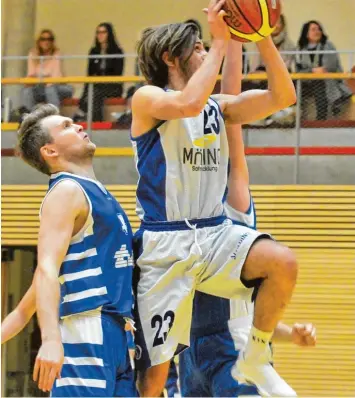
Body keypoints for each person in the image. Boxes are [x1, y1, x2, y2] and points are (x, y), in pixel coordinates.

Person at [131, 1, 297, 396]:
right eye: (199, 48)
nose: (207, 52)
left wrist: (263, 38)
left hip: (213, 234)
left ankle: (256, 351)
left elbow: (283, 96)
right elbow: (186, 102)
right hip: (165, 244)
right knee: (154, 378)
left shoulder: (218, 109)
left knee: (281, 261)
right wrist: (222, 42)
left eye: (208, 47)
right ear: (171, 56)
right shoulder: (148, 99)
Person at [178, 40, 316, 397]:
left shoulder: (232, 199)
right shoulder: (181, 213)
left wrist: (235, 41)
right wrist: (290, 333)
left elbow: (231, 107)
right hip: (188, 354)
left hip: (232, 348)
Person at [4, 104, 137, 397]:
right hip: (85, 329)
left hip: (116, 334)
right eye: (65, 126)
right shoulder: (66, 191)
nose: (77, 125)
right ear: (50, 151)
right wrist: (51, 339)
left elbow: (25, 307)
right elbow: (46, 268)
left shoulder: (97, 193)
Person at [296, 20, 352, 120]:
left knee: (319, 83)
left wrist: (312, 71)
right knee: (293, 84)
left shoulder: (328, 45)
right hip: (307, 81)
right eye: (313, 29)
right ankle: (295, 118)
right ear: (306, 33)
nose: (317, 32)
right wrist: (312, 71)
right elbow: (297, 71)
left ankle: (321, 119)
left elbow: (329, 67)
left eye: (319, 29)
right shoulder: (300, 49)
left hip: (328, 80)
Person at [73, 23, 125, 122]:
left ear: (109, 34)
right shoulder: (93, 51)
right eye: (98, 32)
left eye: (103, 32)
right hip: (96, 86)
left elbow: (117, 73)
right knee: (91, 90)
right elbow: (89, 74)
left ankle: (93, 121)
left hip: (112, 87)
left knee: (95, 91)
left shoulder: (117, 51)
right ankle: (87, 116)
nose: (100, 35)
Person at [21, 29, 73, 112]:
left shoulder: (56, 53)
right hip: (41, 87)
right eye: (43, 39)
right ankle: (30, 119)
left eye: (49, 39)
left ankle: (55, 118)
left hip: (61, 87)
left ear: (52, 41)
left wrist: (39, 78)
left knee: (50, 89)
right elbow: (30, 76)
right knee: (27, 91)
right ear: (39, 41)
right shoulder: (33, 54)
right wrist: (43, 78)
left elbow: (56, 77)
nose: (46, 42)